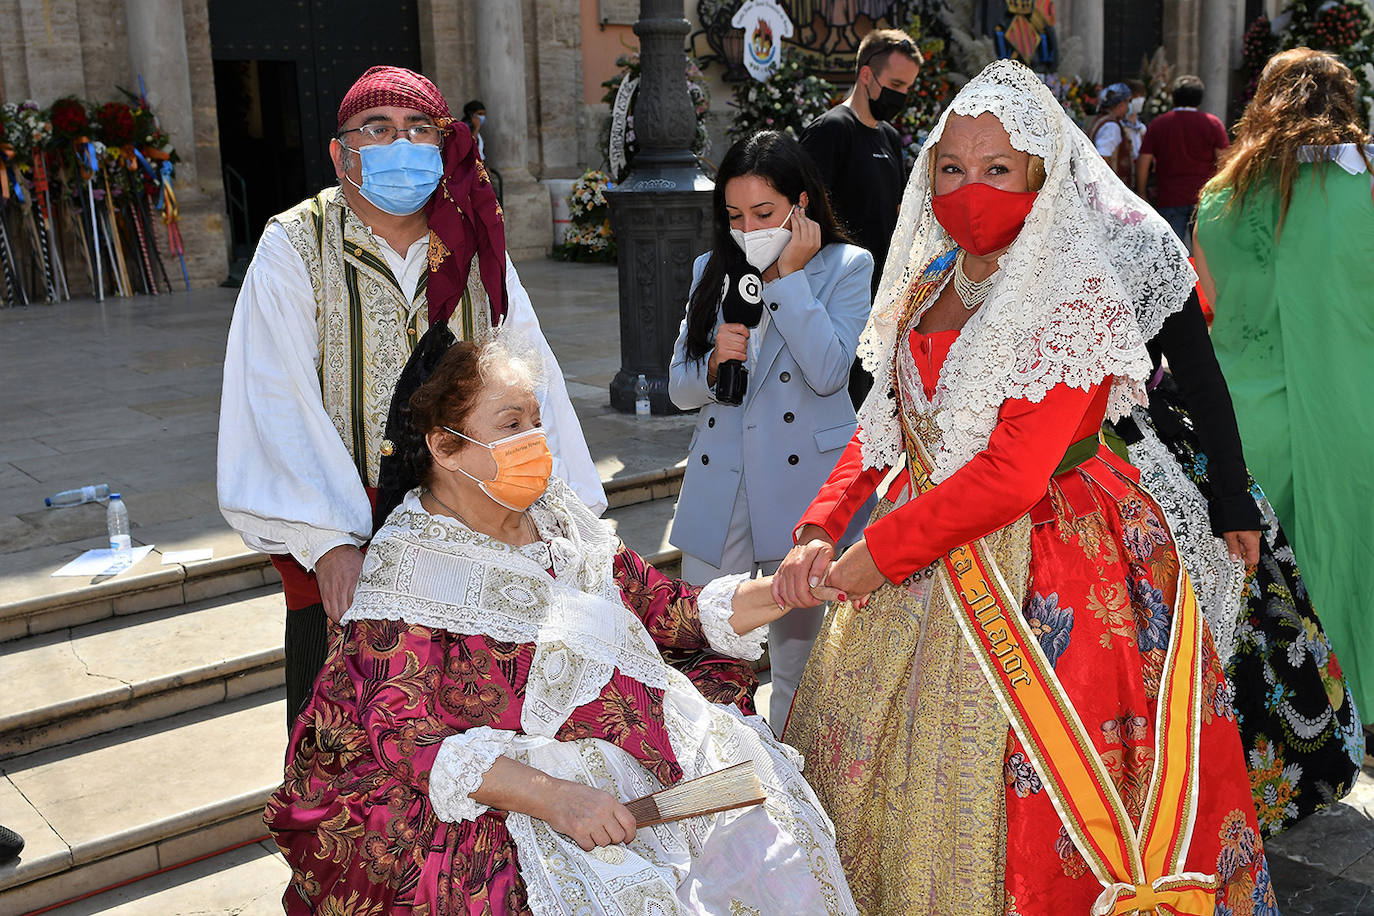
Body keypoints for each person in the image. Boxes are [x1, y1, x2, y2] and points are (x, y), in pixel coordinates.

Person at [776, 60, 1274, 914]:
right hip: (921, 539)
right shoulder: (932, 280)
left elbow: (1012, 476)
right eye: (953, 168)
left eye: (998, 169)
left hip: (1056, 560)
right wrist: (821, 526)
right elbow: (884, 427)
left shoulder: (1072, 298)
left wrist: (876, 553)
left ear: (1042, 176)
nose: (971, 189)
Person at [265, 333, 858, 915]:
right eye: (510, 423)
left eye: (535, 418)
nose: (533, 440)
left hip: (661, 753)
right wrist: (557, 799)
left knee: (784, 853)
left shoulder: (557, 513)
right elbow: (405, 739)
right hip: (526, 798)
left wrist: (783, 591)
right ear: (445, 447)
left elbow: (662, 607)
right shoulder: (409, 566)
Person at [218, 66, 604, 729]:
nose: (400, 143)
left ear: (442, 144)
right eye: (377, 129)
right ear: (341, 153)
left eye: (417, 129)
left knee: (480, 748)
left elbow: (535, 381)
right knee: (348, 756)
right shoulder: (295, 245)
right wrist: (329, 542)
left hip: (479, 545)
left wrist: (572, 520)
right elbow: (273, 397)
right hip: (349, 553)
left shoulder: (475, 241)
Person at [1113, 290, 1363, 839]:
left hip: (1156, 469)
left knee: (1220, 647)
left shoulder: (1136, 235)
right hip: (1044, 481)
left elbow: (1200, 376)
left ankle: (1213, 816)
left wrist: (1231, 501)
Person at [667, 131, 872, 731]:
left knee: (799, 664)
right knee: (704, 643)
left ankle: (799, 793)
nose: (748, 228)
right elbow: (679, 389)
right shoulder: (713, 268)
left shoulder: (845, 267)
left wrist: (788, 277)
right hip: (721, 480)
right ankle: (712, 780)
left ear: (800, 205)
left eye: (764, 212)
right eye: (735, 215)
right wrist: (709, 364)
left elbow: (831, 372)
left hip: (806, 488)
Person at [1195, 47, 1374, 722]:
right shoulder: (1365, 183)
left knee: (1255, 590)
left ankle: (1266, 727)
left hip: (1244, 420)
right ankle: (1356, 711)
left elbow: (1208, 297)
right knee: (1351, 568)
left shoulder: (1218, 198)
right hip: (1352, 410)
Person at [800, 28, 921, 408]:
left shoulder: (888, 136)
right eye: (896, 84)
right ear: (866, 75)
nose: (901, 96)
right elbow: (802, 213)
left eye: (908, 87)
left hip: (880, 295)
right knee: (840, 399)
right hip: (836, 295)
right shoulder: (831, 131)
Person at [1136, 75, 1229, 249]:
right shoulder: (1213, 123)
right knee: (1205, 252)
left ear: (1173, 97)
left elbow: (1144, 161)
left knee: (1173, 254)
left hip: (1169, 197)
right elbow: (1224, 160)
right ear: (1200, 99)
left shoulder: (1158, 124)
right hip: (1204, 198)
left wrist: (1141, 192)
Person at [1090, 82, 1135, 186]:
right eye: (1128, 102)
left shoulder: (1103, 120)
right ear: (1121, 104)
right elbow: (1103, 157)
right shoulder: (1111, 126)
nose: (1129, 106)